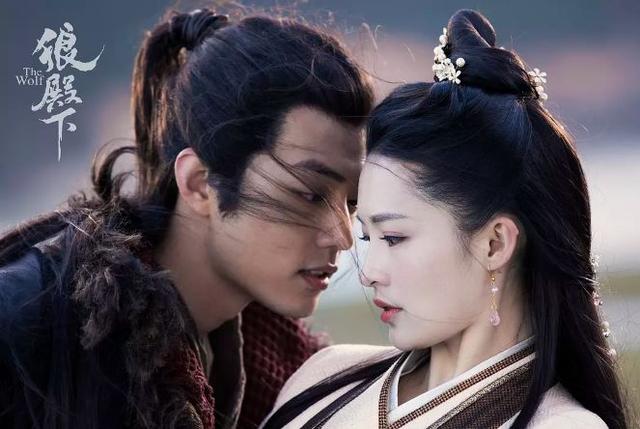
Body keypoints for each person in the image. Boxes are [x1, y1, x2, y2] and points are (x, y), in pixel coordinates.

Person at [0, 7, 373, 428]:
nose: (342, 236)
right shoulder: (37, 325)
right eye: (309, 195)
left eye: (352, 203)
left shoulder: (284, 374)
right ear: (199, 183)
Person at [262, 9, 628, 429]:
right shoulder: (322, 377)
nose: (368, 274)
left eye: (394, 237)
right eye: (367, 238)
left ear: (495, 243)